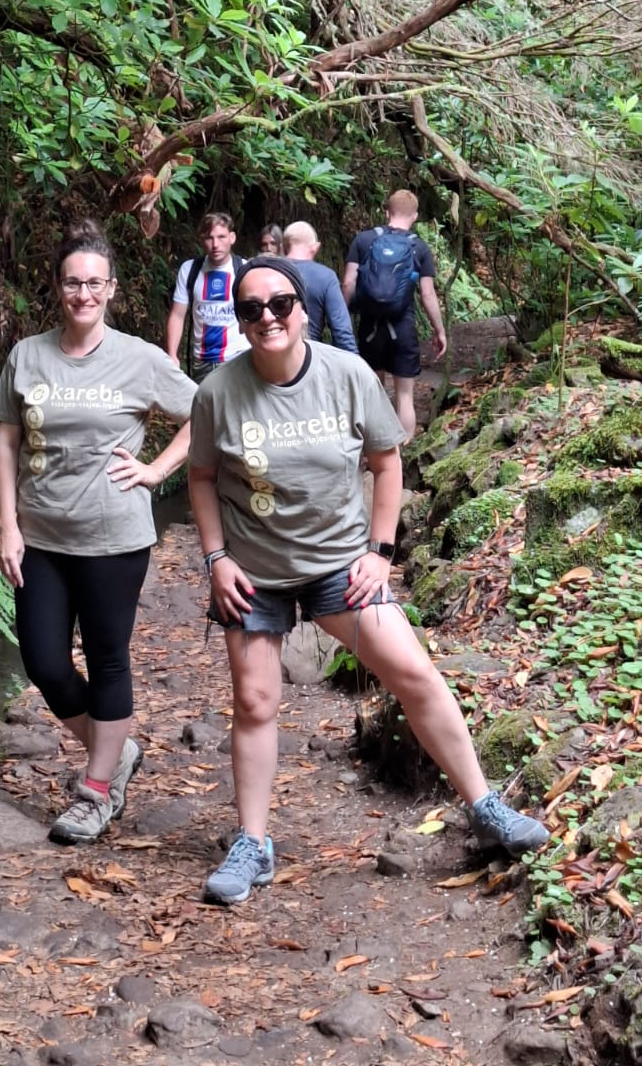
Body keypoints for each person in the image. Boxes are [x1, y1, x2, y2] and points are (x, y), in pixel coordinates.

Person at [188, 255, 549, 906]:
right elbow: (203, 478)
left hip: (336, 565)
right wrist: (217, 559)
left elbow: (386, 464)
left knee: (412, 672)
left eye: (280, 304)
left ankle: (486, 806)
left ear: (303, 309)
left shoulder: (346, 374)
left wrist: (380, 552)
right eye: (250, 309)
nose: (266, 317)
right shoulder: (218, 392)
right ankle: (253, 842)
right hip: (255, 574)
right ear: (239, 323)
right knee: (256, 701)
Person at [0, 219, 197, 845]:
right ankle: (118, 750)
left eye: (94, 283)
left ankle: (98, 788)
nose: (83, 293)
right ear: (58, 288)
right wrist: (7, 524)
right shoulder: (28, 355)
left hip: (114, 535)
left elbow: (207, 412)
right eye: (72, 283)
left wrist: (157, 469)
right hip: (41, 536)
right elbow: (5, 439)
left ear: (111, 288)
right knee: (45, 661)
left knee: (108, 659)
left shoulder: (139, 358)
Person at [342, 189, 447, 436]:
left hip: (369, 328)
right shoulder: (418, 247)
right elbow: (427, 294)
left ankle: (374, 457)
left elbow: (348, 283)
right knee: (405, 396)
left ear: (386, 212)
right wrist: (439, 330)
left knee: (372, 393)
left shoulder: (364, 240)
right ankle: (403, 458)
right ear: (415, 216)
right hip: (403, 329)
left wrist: (342, 320)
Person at [165, 211, 246, 382]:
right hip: (201, 359)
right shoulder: (190, 270)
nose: (216, 244)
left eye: (221, 237)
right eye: (210, 238)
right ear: (202, 240)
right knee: (205, 408)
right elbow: (178, 315)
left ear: (232, 237)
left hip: (238, 356)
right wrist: (172, 354)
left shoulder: (244, 269)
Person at [282, 222, 358, 353]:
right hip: (308, 355)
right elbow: (341, 330)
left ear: (284, 246)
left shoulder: (267, 270)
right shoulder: (325, 276)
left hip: (268, 355)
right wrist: (355, 365)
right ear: (315, 247)